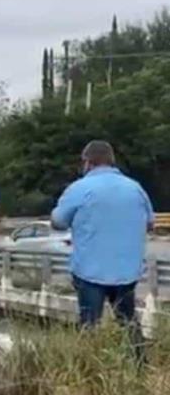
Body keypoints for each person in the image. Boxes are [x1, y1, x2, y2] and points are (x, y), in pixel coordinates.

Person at [51, 140, 153, 335]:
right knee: (129, 323)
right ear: (112, 161)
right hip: (127, 272)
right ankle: (139, 363)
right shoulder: (136, 188)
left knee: (89, 326)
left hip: (90, 271)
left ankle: (89, 363)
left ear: (87, 162)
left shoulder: (79, 188)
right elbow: (149, 223)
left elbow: (58, 222)